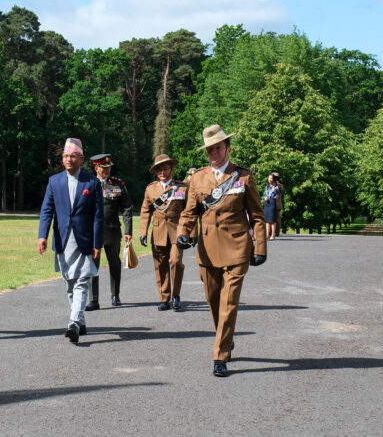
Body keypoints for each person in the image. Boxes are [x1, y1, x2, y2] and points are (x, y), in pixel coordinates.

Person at [176, 125, 267, 377]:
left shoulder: (244, 176)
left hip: (237, 248)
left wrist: (260, 247)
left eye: (217, 147)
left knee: (229, 302)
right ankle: (225, 338)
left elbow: (257, 216)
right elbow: (189, 212)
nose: (213, 152)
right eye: (209, 149)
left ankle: (220, 356)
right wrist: (184, 232)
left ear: (228, 147)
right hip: (207, 250)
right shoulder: (197, 178)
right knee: (214, 301)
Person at [38, 138, 103, 344]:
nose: (68, 159)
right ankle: (81, 320)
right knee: (69, 282)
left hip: (84, 240)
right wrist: (42, 236)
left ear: (81, 158)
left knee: (82, 280)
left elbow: (98, 216)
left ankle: (73, 322)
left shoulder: (91, 183)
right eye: (65, 156)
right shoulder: (54, 181)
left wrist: (97, 243)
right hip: (63, 239)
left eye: (73, 156)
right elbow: (47, 210)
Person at [139, 154, 194, 311]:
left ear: (172, 170)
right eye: (159, 170)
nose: (162, 172)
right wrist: (143, 232)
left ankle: (175, 295)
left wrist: (192, 233)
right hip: (158, 232)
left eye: (165, 169)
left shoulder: (182, 187)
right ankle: (164, 298)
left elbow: (190, 210)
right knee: (160, 266)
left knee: (175, 262)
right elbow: (144, 211)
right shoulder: (150, 189)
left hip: (178, 232)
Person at [86, 153, 133, 310]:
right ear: (96, 168)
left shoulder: (117, 184)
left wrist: (128, 230)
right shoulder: (88, 184)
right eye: (103, 168)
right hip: (93, 233)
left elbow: (127, 208)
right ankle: (93, 299)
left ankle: (115, 295)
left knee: (114, 263)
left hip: (112, 230)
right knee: (93, 265)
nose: (107, 170)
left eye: (109, 167)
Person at [263, 173, 281, 240]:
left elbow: (277, 196)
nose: (270, 179)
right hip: (266, 203)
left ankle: (273, 235)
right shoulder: (266, 186)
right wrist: (264, 197)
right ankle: (267, 235)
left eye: (271, 178)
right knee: (267, 220)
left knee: (272, 220)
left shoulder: (276, 187)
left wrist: (273, 192)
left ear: (273, 179)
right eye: (269, 178)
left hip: (272, 203)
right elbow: (264, 194)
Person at [273, 172, 284, 237]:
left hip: (275, 203)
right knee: (277, 218)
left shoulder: (277, 185)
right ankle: (277, 232)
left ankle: (275, 232)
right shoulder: (281, 185)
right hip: (278, 203)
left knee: (275, 218)